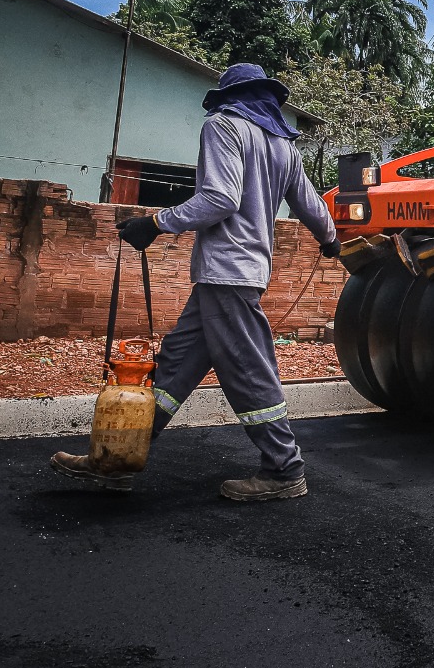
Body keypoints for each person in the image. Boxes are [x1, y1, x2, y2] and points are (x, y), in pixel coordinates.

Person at [51, 63, 340, 502]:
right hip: (235, 276)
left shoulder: (223, 126)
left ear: (227, 96)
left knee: (248, 371)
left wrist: (156, 222)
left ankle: (285, 469)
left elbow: (219, 199)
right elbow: (310, 203)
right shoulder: (284, 147)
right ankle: (117, 458)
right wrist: (331, 238)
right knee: (173, 369)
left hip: (228, 273)